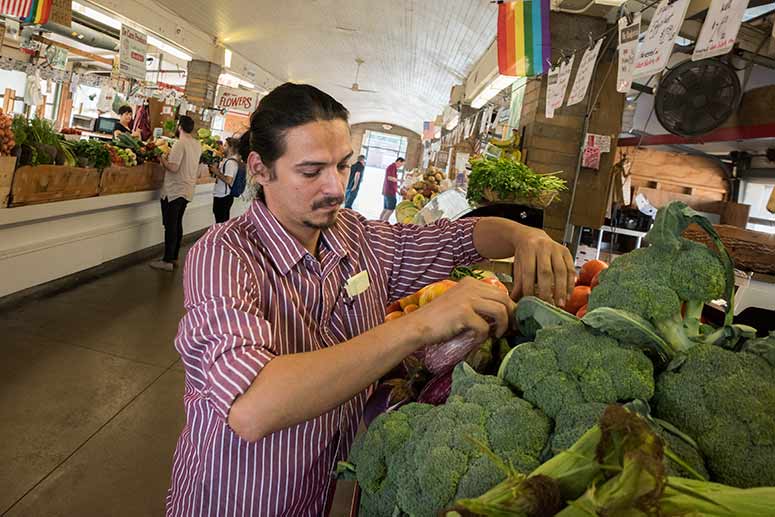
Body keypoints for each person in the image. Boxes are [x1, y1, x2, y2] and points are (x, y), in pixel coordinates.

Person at [166, 83, 575, 516]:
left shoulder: (358, 237)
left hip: (317, 489)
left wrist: (522, 233)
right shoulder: (223, 256)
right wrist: (419, 325)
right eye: (311, 171)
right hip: (239, 496)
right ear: (260, 169)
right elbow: (251, 409)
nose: (335, 188)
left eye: (343, 166)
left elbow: (456, 240)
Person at [150, 115, 202, 272]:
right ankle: (173, 257)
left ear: (179, 126)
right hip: (187, 189)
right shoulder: (197, 144)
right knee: (177, 224)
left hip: (174, 190)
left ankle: (167, 260)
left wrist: (161, 159)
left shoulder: (180, 144)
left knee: (170, 226)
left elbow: (173, 167)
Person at [210, 137, 241, 223]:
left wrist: (217, 172)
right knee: (222, 221)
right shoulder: (231, 161)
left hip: (223, 196)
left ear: (231, 148)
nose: (223, 147)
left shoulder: (230, 163)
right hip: (224, 196)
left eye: (225, 145)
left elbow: (228, 180)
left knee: (220, 222)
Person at [380, 156, 404, 221]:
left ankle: (379, 222)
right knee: (390, 209)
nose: (401, 166)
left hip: (387, 190)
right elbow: (389, 178)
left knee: (386, 209)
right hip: (390, 191)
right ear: (399, 161)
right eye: (401, 164)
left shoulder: (392, 167)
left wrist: (398, 191)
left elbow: (393, 181)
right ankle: (384, 223)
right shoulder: (392, 167)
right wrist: (399, 180)